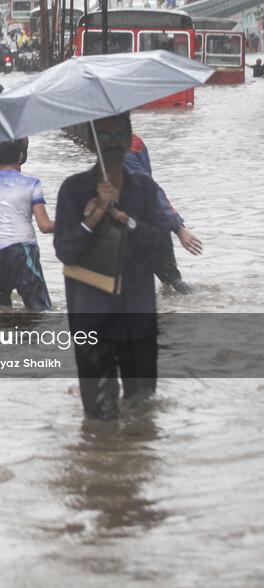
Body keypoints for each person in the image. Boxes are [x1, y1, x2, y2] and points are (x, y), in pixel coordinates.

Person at [53, 112, 172, 420]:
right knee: (99, 419)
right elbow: (65, 251)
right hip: (92, 320)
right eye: (104, 136)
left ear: (130, 140)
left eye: (119, 135)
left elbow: (160, 240)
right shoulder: (74, 190)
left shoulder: (144, 188)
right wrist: (93, 217)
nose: (112, 143)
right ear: (91, 144)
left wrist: (126, 220)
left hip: (138, 316)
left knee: (143, 411)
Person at [0, 139, 54, 310]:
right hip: (23, 252)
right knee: (40, 312)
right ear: (20, 156)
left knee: (0, 314)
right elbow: (45, 226)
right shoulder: (32, 184)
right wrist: (76, 221)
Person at [126, 134, 203, 294]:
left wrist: (178, 227)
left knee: (171, 286)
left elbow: (150, 189)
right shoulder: (134, 140)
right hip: (153, 225)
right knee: (172, 285)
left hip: (138, 228)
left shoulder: (123, 152)